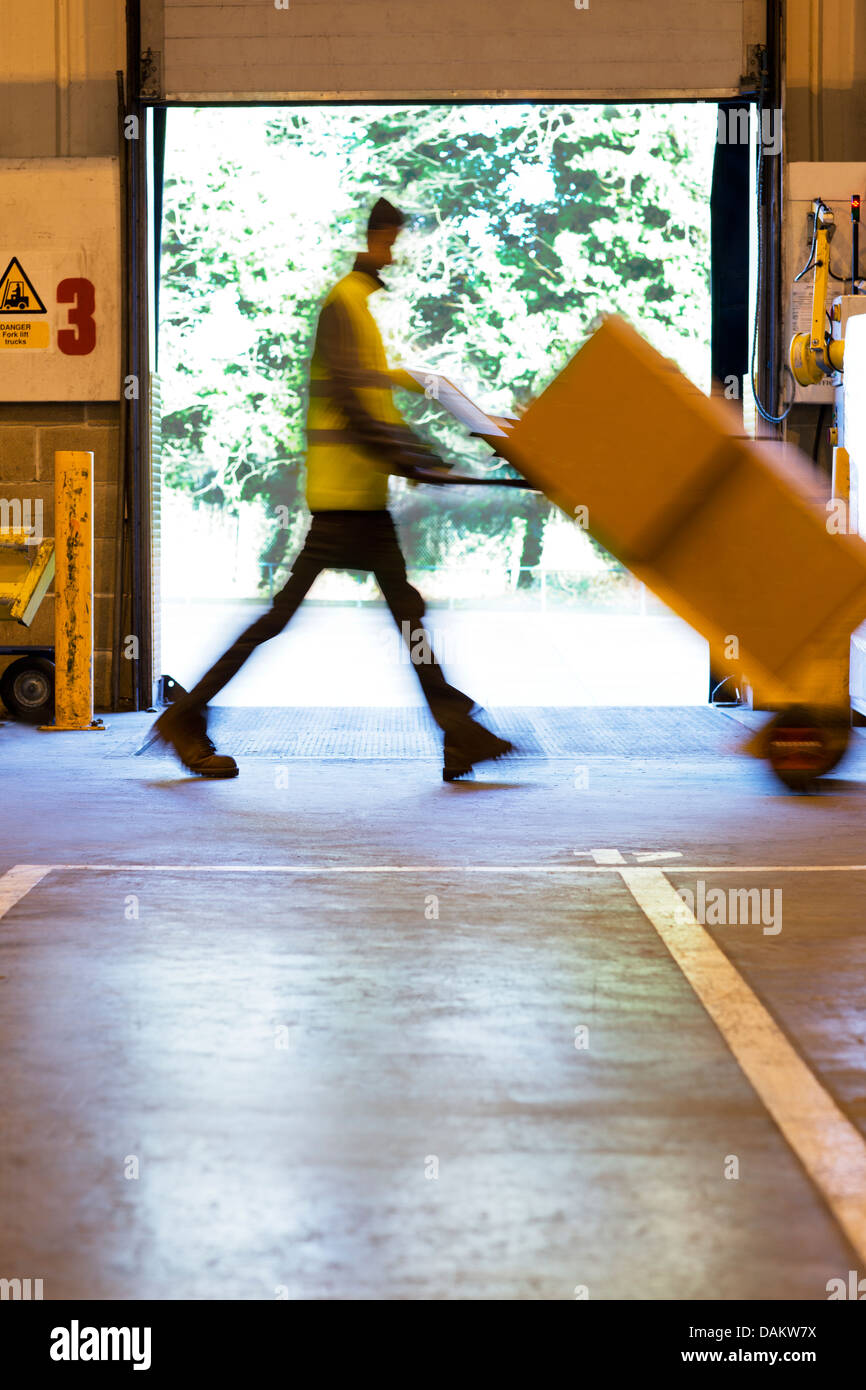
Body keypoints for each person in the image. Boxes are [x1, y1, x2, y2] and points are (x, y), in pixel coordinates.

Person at [141, 197, 513, 782]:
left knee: (396, 615)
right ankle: (185, 718)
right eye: (391, 243)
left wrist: (423, 436)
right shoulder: (344, 305)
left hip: (359, 499)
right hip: (345, 503)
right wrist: (413, 459)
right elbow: (348, 401)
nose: (394, 256)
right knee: (308, 619)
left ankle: (457, 731)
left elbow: (371, 391)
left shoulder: (358, 311)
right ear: (375, 239)